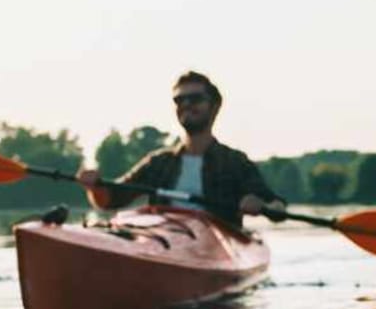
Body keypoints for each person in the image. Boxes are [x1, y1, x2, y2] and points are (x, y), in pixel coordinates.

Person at [75, 71, 287, 223]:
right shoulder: (159, 162)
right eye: (179, 100)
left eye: (194, 99)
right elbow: (112, 199)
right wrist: (94, 186)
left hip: (216, 244)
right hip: (164, 238)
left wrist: (262, 205)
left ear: (214, 106)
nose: (186, 104)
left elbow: (277, 205)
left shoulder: (234, 162)